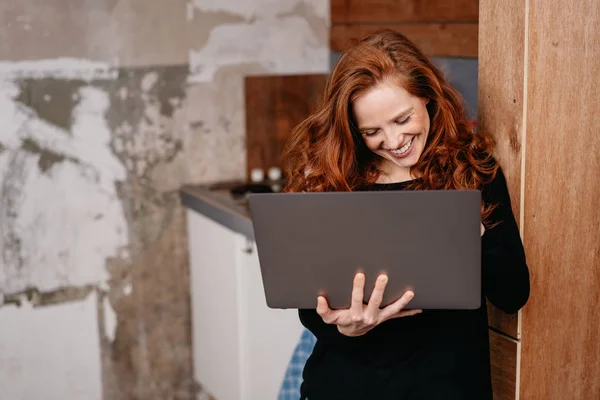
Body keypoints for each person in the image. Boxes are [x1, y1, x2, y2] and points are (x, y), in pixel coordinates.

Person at [280, 29, 530, 399]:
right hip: (346, 386)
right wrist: (345, 328)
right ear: (351, 129)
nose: (393, 141)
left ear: (427, 96)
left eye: (401, 119)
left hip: (447, 387)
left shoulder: (474, 172)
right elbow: (311, 309)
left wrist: (472, 230)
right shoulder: (333, 183)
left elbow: (513, 293)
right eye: (372, 131)